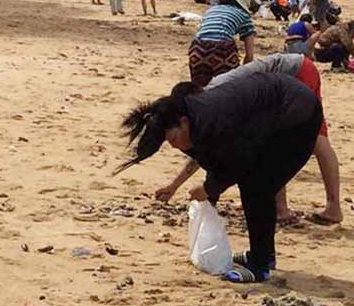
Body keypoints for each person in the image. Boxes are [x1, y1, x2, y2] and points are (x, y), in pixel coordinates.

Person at [115, 73, 323, 283]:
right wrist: (208, 193)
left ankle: (260, 265)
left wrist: (207, 189)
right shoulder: (193, 123)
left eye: (174, 139)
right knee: (256, 182)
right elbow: (214, 160)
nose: (174, 145)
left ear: (183, 122)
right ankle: (263, 256)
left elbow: (237, 162)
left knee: (257, 185)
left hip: (297, 112)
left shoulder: (210, 120)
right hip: (270, 114)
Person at [155, 54, 343, 226]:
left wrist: (198, 187)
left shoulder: (215, 101)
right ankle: (282, 208)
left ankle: (325, 207)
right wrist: (174, 186)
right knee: (272, 143)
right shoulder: (207, 106)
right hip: (286, 80)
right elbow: (204, 151)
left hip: (296, 72)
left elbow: (207, 150)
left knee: (316, 139)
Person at [189, 0, 256, 87]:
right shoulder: (244, 16)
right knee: (226, 90)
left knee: (199, 89)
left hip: (197, 48)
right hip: (222, 49)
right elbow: (249, 56)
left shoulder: (211, 10)